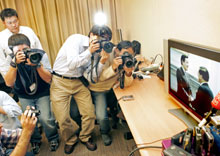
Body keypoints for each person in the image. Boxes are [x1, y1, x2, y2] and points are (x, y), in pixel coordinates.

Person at [50, 25, 114, 154]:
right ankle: (70, 140)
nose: (100, 43)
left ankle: (85, 137)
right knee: (62, 118)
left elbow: (92, 77)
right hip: (60, 81)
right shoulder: (75, 39)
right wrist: (89, 51)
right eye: (99, 38)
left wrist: (102, 61)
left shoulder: (97, 52)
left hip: (79, 82)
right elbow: (72, 64)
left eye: (104, 40)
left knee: (89, 114)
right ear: (90, 35)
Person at [4, 34, 59, 154]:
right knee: (29, 119)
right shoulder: (10, 59)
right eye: (18, 51)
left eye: (25, 49)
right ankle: (35, 140)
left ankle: (53, 138)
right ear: (12, 51)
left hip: (42, 92)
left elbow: (48, 78)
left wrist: (37, 65)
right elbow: (8, 83)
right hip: (23, 95)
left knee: (46, 118)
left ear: (30, 46)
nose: (23, 53)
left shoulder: (40, 54)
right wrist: (15, 64)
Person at [84, 40, 134, 146]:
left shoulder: (126, 60)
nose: (126, 56)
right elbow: (98, 78)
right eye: (124, 53)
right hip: (98, 89)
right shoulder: (104, 53)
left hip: (111, 88)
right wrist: (113, 67)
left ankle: (112, 120)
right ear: (116, 50)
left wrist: (128, 72)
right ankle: (104, 133)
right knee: (102, 116)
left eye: (129, 54)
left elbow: (126, 84)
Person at [0, 8, 42, 77]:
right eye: (10, 23)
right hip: (16, 74)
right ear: (4, 23)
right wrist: (9, 80)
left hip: (35, 69)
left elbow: (40, 50)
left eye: (15, 21)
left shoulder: (28, 31)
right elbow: (1, 63)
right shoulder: (1, 37)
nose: (14, 25)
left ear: (18, 19)